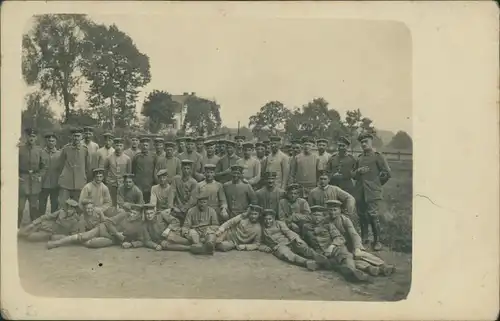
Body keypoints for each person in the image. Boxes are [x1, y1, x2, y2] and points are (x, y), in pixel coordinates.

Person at [325, 200, 395, 276]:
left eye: (335, 210)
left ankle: (382, 265)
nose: (332, 212)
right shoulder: (326, 220)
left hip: (350, 243)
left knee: (358, 254)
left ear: (340, 210)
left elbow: (354, 234)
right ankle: (372, 269)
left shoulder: (344, 219)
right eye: (330, 210)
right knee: (349, 260)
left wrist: (357, 247)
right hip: (339, 247)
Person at [303, 205, 371, 283]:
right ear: (310, 216)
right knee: (329, 262)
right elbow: (305, 241)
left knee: (345, 255)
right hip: (321, 252)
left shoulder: (328, 225)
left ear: (323, 217)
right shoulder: (305, 227)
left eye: (319, 215)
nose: (317, 218)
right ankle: (345, 270)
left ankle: (352, 272)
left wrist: (331, 247)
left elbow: (340, 238)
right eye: (314, 215)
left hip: (334, 248)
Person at [352, 132, 392, 251]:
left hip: (372, 192)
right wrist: (358, 171)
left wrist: (377, 184)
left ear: (371, 142)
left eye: (366, 142)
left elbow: (387, 173)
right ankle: (365, 239)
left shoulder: (377, 156)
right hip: (360, 192)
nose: (364, 144)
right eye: (362, 142)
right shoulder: (359, 158)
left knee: (373, 215)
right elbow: (353, 175)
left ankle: (377, 241)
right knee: (362, 215)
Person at [259, 209, 325, 271]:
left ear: (273, 218)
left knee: (302, 246)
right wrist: (265, 248)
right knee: (287, 255)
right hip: (278, 246)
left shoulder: (279, 223)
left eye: (270, 219)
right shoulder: (261, 228)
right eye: (265, 219)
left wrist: (297, 238)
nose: (267, 221)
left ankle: (322, 259)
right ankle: (307, 262)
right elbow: (259, 242)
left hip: (289, 241)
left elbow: (288, 232)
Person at [19, 128, 47, 227]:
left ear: (36, 138)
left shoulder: (39, 150)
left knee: (34, 207)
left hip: (34, 181)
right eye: (30, 136)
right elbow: (14, 164)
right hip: (22, 180)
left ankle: (33, 227)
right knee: (20, 207)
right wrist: (18, 176)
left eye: (33, 136)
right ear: (26, 137)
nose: (31, 138)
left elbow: (43, 167)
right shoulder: (20, 149)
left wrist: (39, 175)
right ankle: (16, 227)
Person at [58, 127, 91, 208]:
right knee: (63, 204)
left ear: (81, 137)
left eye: (78, 136)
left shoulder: (85, 150)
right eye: (74, 136)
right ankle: (62, 220)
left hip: (79, 182)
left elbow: (87, 166)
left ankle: (77, 220)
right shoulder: (66, 148)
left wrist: (84, 177)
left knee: (78, 204)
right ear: (71, 137)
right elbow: (60, 164)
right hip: (66, 181)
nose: (76, 138)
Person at [103, 137, 132, 206]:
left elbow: (129, 173)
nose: (118, 147)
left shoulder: (127, 159)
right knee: (112, 202)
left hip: (123, 184)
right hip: (111, 184)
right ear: (114, 146)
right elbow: (105, 169)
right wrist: (107, 179)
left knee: (122, 202)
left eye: (120, 145)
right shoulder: (108, 158)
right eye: (117, 145)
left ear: (123, 146)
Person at [39, 132, 61, 215]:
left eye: (53, 141)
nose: (51, 142)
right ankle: (40, 222)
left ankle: (53, 223)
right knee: (42, 204)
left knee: (54, 204)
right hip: (43, 183)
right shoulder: (41, 152)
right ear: (46, 141)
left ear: (55, 142)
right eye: (49, 141)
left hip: (55, 183)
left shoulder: (59, 153)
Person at [132, 136, 156, 203]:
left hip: (149, 184)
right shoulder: (136, 157)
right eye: (143, 145)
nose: (145, 147)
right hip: (139, 184)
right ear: (140, 146)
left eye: (146, 145)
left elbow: (155, 170)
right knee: (139, 202)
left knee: (148, 203)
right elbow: (133, 171)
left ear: (149, 146)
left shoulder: (153, 156)